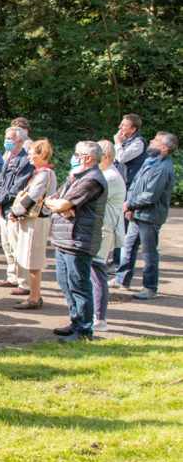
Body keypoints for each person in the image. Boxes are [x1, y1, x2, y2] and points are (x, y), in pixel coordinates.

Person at [45, 141, 108, 342]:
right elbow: (50, 199)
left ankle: (83, 331)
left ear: (87, 158)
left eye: (77, 154)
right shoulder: (76, 177)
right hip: (64, 239)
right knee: (65, 283)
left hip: (78, 240)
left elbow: (61, 202)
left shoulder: (92, 180)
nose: (74, 157)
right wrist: (61, 207)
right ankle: (75, 322)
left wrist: (60, 206)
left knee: (79, 286)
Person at [110, 131, 177, 300]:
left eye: (155, 141)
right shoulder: (149, 161)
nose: (151, 142)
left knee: (149, 252)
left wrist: (128, 204)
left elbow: (150, 195)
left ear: (164, 148)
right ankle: (122, 279)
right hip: (138, 212)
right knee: (129, 246)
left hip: (150, 216)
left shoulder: (163, 168)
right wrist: (130, 205)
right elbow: (135, 185)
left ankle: (150, 287)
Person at [9, 139, 57, 311]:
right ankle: (33, 294)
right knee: (29, 258)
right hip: (32, 220)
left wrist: (16, 211)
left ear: (42, 155)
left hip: (37, 220)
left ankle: (35, 297)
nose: (29, 156)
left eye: (32, 153)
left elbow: (33, 197)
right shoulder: (41, 173)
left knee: (33, 259)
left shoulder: (45, 174)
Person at [0, 127, 35, 294]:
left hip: (14, 209)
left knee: (18, 247)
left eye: (10, 138)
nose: (7, 140)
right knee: (7, 245)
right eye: (6, 136)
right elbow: (1, 182)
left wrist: (0, 200)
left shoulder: (25, 161)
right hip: (3, 206)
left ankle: (24, 283)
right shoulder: (7, 157)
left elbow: (17, 187)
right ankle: (12, 276)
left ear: (20, 141)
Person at [91, 140, 125, 332]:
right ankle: (95, 314)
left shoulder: (110, 177)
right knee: (94, 273)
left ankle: (100, 318)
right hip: (100, 229)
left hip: (103, 231)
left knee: (97, 273)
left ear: (106, 157)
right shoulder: (105, 174)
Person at [113, 113, 147, 187]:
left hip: (128, 184)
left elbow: (122, 158)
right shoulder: (123, 140)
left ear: (133, 129)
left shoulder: (138, 143)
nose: (120, 127)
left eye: (123, 125)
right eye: (120, 124)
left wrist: (118, 143)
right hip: (117, 179)